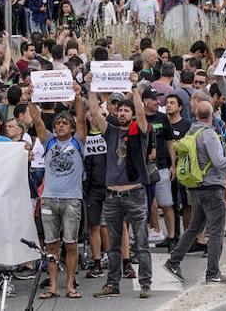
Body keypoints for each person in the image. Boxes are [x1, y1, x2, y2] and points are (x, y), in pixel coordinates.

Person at [163, 101, 226, 285]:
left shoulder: (191, 131)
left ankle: (173, 261)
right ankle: (213, 272)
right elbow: (219, 162)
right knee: (216, 230)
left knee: (195, 227)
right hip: (211, 186)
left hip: (195, 185)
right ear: (212, 115)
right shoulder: (208, 134)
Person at [85, 84, 153, 299]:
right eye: (120, 110)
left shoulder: (140, 131)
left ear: (132, 115)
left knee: (141, 243)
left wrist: (134, 88)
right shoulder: (110, 132)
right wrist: (91, 86)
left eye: (127, 110)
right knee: (113, 245)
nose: (123, 113)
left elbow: (142, 113)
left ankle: (145, 283)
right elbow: (95, 113)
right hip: (112, 196)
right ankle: (112, 284)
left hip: (134, 194)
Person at [27, 88, 87, 299]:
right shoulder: (49, 141)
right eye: (58, 123)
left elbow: (81, 118)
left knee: (70, 243)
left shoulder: (78, 141)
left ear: (71, 128)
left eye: (64, 123)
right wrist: (29, 99)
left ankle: (70, 284)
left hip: (72, 199)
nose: (60, 125)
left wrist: (78, 96)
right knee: (51, 245)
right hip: (49, 199)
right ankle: (53, 285)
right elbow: (37, 121)